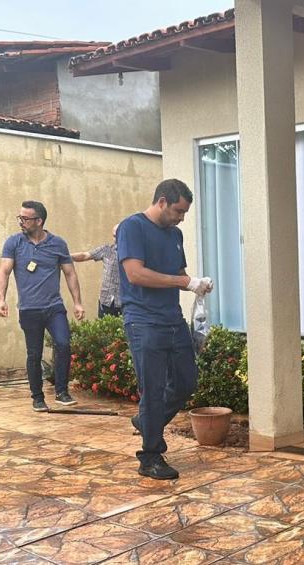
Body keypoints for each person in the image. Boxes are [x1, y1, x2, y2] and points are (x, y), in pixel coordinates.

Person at [118, 179, 213, 480]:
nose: (181, 217)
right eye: (178, 211)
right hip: (143, 321)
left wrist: (197, 283)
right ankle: (150, 457)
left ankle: (146, 419)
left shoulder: (175, 235)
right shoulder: (132, 227)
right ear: (161, 202)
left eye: (184, 212)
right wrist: (183, 282)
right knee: (154, 388)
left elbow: (179, 275)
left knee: (186, 382)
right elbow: (135, 274)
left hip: (172, 319)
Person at [0, 200, 84, 412]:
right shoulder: (13, 243)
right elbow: (4, 271)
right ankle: (37, 397)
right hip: (29, 309)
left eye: (25, 219)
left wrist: (77, 302)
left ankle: (62, 392)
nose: (21, 222)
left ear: (39, 221)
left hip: (54, 307)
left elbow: (70, 273)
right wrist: (1, 299)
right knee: (34, 354)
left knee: (63, 344)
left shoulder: (58, 244)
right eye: (20, 217)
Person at [71, 224, 122, 318]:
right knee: (106, 330)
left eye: (118, 235)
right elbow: (85, 255)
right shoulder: (106, 250)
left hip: (125, 301)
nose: (115, 239)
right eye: (114, 236)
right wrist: (65, 257)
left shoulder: (133, 253)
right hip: (106, 300)